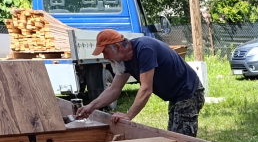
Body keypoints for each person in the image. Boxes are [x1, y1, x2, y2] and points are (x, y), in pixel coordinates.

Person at [75, 30, 205, 136]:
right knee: (174, 136)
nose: (105, 57)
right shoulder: (124, 60)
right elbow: (114, 89)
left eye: (105, 52)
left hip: (189, 91)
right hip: (176, 95)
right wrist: (90, 107)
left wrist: (128, 116)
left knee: (181, 139)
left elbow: (146, 89)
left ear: (117, 47)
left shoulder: (145, 49)